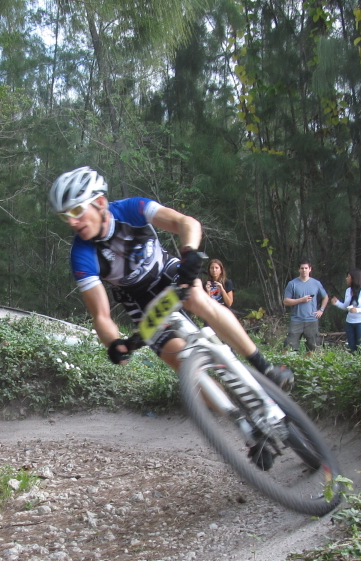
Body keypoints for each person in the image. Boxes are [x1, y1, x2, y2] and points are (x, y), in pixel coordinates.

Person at [50, 166, 293, 393]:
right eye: (65, 216)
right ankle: (237, 418)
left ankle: (265, 367)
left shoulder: (131, 209)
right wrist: (114, 343)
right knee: (179, 360)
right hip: (141, 303)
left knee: (197, 296)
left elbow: (186, 223)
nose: (72, 222)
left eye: (76, 211)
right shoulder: (81, 254)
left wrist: (189, 253)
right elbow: (101, 316)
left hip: (167, 274)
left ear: (100, 202)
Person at [283, 261, 328, 352]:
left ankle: (310, 364)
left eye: (306, 268)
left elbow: (325, 297)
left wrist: (321, 310)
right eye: (302, 268)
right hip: (296, 320)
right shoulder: (292, 284)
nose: (304, 270)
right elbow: (286, 301)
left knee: (314, 348)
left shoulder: (316, 283)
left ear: (310, 269)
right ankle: (290, 364)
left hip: (312, 320)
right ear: (298, 269)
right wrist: (301, 300)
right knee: (289, 347)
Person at [331, 268, 361, 352]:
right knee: (352, 348)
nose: (346, 278)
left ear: (354, 278)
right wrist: (337, 303)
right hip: (349, 323)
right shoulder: (348, 291)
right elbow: (346, 307)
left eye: (348, 277)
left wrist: (357, 310)